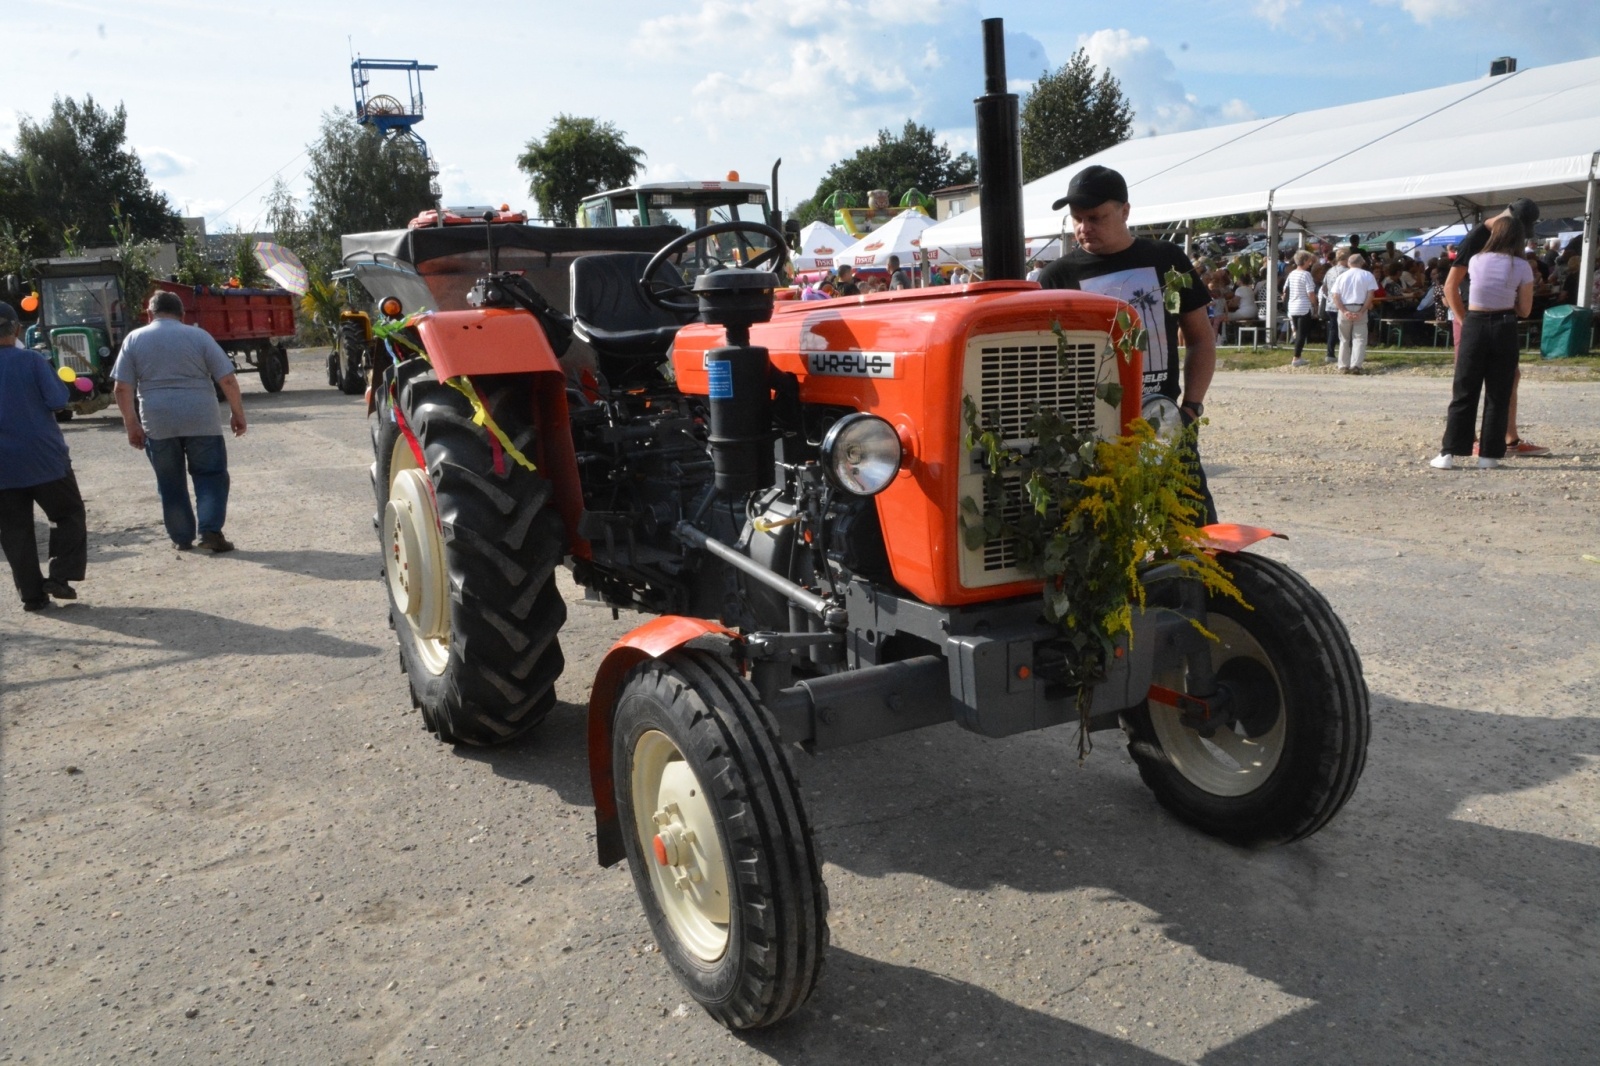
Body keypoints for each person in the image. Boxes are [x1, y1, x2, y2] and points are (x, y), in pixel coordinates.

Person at [1037, 164, 1218, 522]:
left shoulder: (1165, 258)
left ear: (1125, 211)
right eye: (1077, 219)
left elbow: (1200, 337)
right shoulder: (1057, 276)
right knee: (1101, 534)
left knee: (1195, 533)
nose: (1084, 228)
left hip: (1162, 422)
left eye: (1095, 217)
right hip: (1091, 433)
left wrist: (1191, 409)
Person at [112, 291, 248, 552]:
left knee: (169, 481)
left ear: (149, 314)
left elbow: (122, 388)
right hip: (201, 419)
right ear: (182, 315)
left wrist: (132, 424)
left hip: (158, 422)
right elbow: (228, 379)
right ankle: (209, 532)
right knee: (210, 475)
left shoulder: (134, 339)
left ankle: (182, 537)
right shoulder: (199, 336)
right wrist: (237, 413)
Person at [0, 300, 88, 611]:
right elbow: (57, 399)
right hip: (45, 458)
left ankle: (32, 596)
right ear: (17, 329)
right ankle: (60, 576)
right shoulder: (32, 361)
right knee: (69, 514)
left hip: (3, 468)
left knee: (14, 531)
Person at [1444, 199, 1547, 457]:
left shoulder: (1493, 242)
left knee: (1508, 378)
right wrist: (1464, 321)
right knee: (1469, 383)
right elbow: (1450, 286)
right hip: (1473, 316)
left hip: (1489, 319)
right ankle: (1471, 441)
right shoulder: (1476, 239)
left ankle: (1507, 438)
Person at [1430, 215, 1534, 470]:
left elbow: (1453, 288)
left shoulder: (1475, 259)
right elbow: (1525, 309)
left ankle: (1449, 452)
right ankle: (1489, 455)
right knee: (1498, 392)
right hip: (1504, 325)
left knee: (1464, 389)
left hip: (1474, 322)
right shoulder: (1522, 266)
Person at [1330, 253, 1379, 373]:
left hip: (1344, 306)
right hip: (1360, 306)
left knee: (1344, 339)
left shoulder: (1341, 276)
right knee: (1359, 338)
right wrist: (1362, 311)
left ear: (1348, 263)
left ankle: (1343, 365)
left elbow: (1335, 296)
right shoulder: (1368, 275)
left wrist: (1344, 311)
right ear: (1361, 262)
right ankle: (1356, 365)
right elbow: (1370, 295)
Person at [1282, 250, 1317, 366]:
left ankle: (1297, 356)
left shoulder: (1291, 274)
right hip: (1303, 306)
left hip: (1292, 306)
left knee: (1297, 332)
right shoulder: (1306, 274)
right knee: (1302, 333)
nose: (1310, 263)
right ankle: (1296, 357)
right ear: (1305, 261)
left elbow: (1285, 290)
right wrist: (1315, 304)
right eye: (1309, 261)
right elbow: (1310, 293)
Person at [1320, 249, 1350, 363]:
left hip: (1331, 304)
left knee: (1333, 329)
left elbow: (1324, 287)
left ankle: (1330, 353)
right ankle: (1347, 354)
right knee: (1346, 331)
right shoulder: (1347, 272)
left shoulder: (1330, 271)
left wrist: (1329, 297)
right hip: (1344, 304)